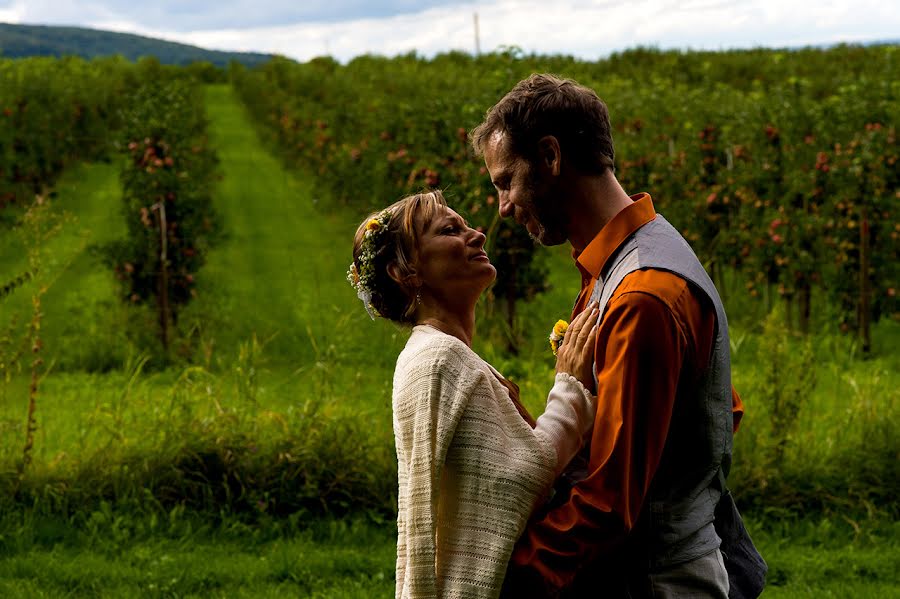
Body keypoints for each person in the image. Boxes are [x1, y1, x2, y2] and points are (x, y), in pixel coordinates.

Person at [471, 73, 759, 598]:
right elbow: (719, 410)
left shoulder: (641, 297)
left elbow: (608, 502)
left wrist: (507, 578)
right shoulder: (644, 253)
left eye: (505, 181)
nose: (503, 207)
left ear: (551, 156)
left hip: (655, 580)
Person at [349, 190, 601, 599]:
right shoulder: (439, 358)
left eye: (466, 224)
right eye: (451, 229)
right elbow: (515, 480)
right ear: (405, 272)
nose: (478, 235)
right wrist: (570, 389)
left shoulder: (437, 353)